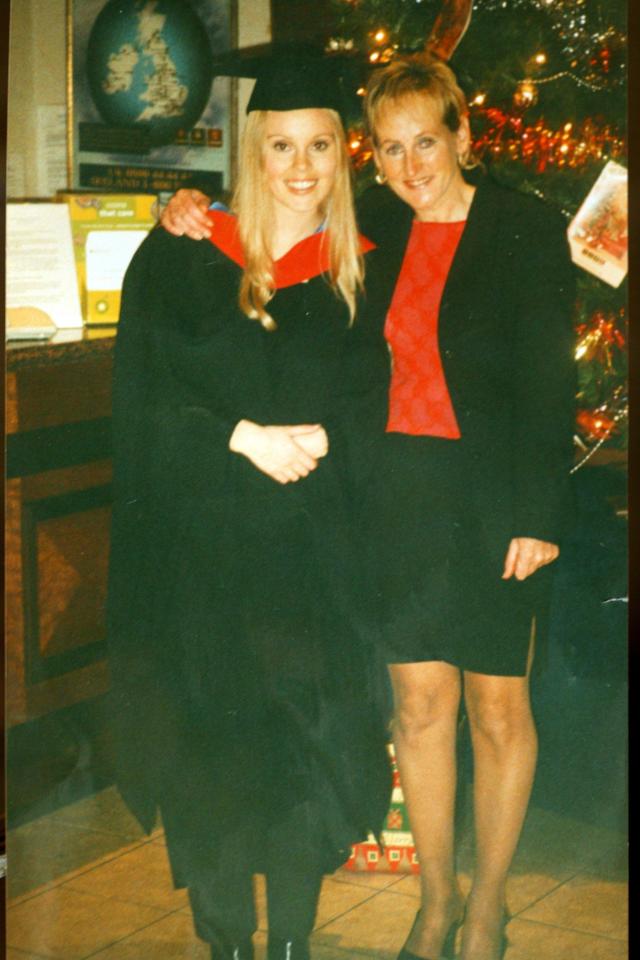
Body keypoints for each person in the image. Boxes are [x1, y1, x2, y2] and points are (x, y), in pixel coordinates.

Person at [161, 54, 576, 960]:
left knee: (498, 709)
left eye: (427, 141)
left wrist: (538, 514)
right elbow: (267, 250)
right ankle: (435, 902)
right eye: (389, 148)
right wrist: (187, 210)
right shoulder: (370, 228)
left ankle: (488, 907)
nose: (411, 165)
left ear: (463, 136)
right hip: (395, 500)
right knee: (421, 709)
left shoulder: (523, 228)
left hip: (497, 502)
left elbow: (550, 380)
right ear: (373, 159)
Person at [107, 49, 393, 960]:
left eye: (319, 145)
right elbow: (142, 400)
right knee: (212, 757)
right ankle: (228, 939)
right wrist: (243, 438)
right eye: (281, 146)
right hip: (206, 565)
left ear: (344, 156)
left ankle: (294, 942)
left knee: (304, 752)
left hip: (313, 568)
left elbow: (390, 394)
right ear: (251, 153)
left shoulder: (359, 271)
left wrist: (333, 438)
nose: (301, 166)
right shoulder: (180, 256)